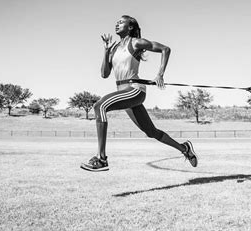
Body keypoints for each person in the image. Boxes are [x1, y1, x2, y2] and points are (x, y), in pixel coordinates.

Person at [80, 15, 198, 172]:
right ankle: (184, 148)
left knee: (99, 106)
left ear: (130, 27)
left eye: (121, 22)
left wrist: (160, 74)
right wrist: (106, 50)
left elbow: (165, 49)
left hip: (134, 90)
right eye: (117, 22)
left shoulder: (135, 43)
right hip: (123, 93)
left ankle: (101, 159)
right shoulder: (114, 48)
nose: (117, 23)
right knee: (151, 132)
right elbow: (104, 74)